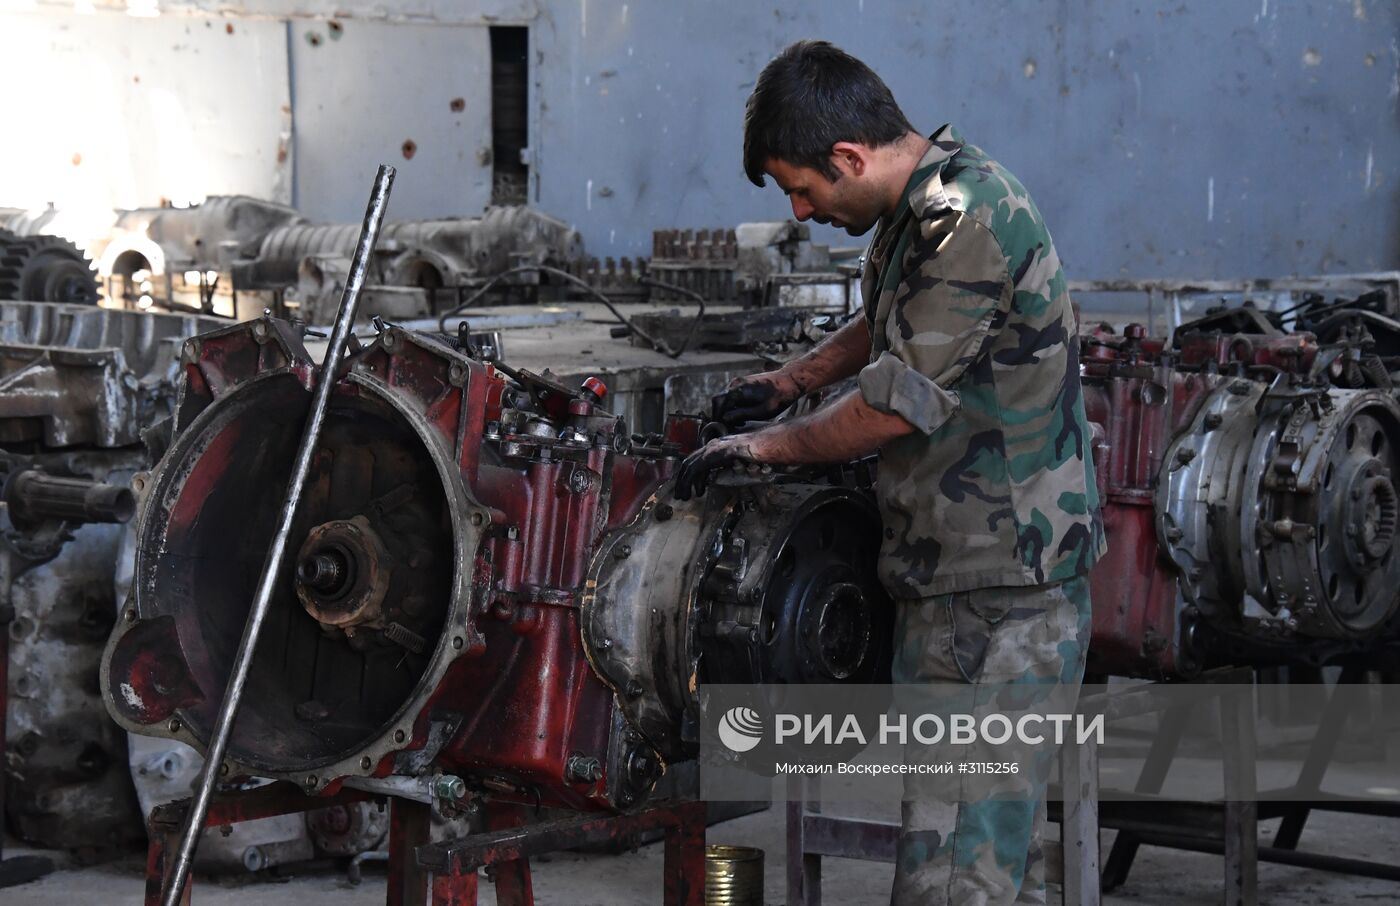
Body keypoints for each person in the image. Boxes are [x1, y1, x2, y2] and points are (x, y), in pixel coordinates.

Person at [673, 40, 1106, 905]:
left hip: (998, 595)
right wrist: (787, 384)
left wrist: (765, 449)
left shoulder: (964, 219)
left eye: (803, 188)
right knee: (986, 865)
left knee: (953, 872)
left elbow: (897, 405)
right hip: (958, 581)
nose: (800, 211)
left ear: (848, 157)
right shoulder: (922, 209)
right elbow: (888, 327)